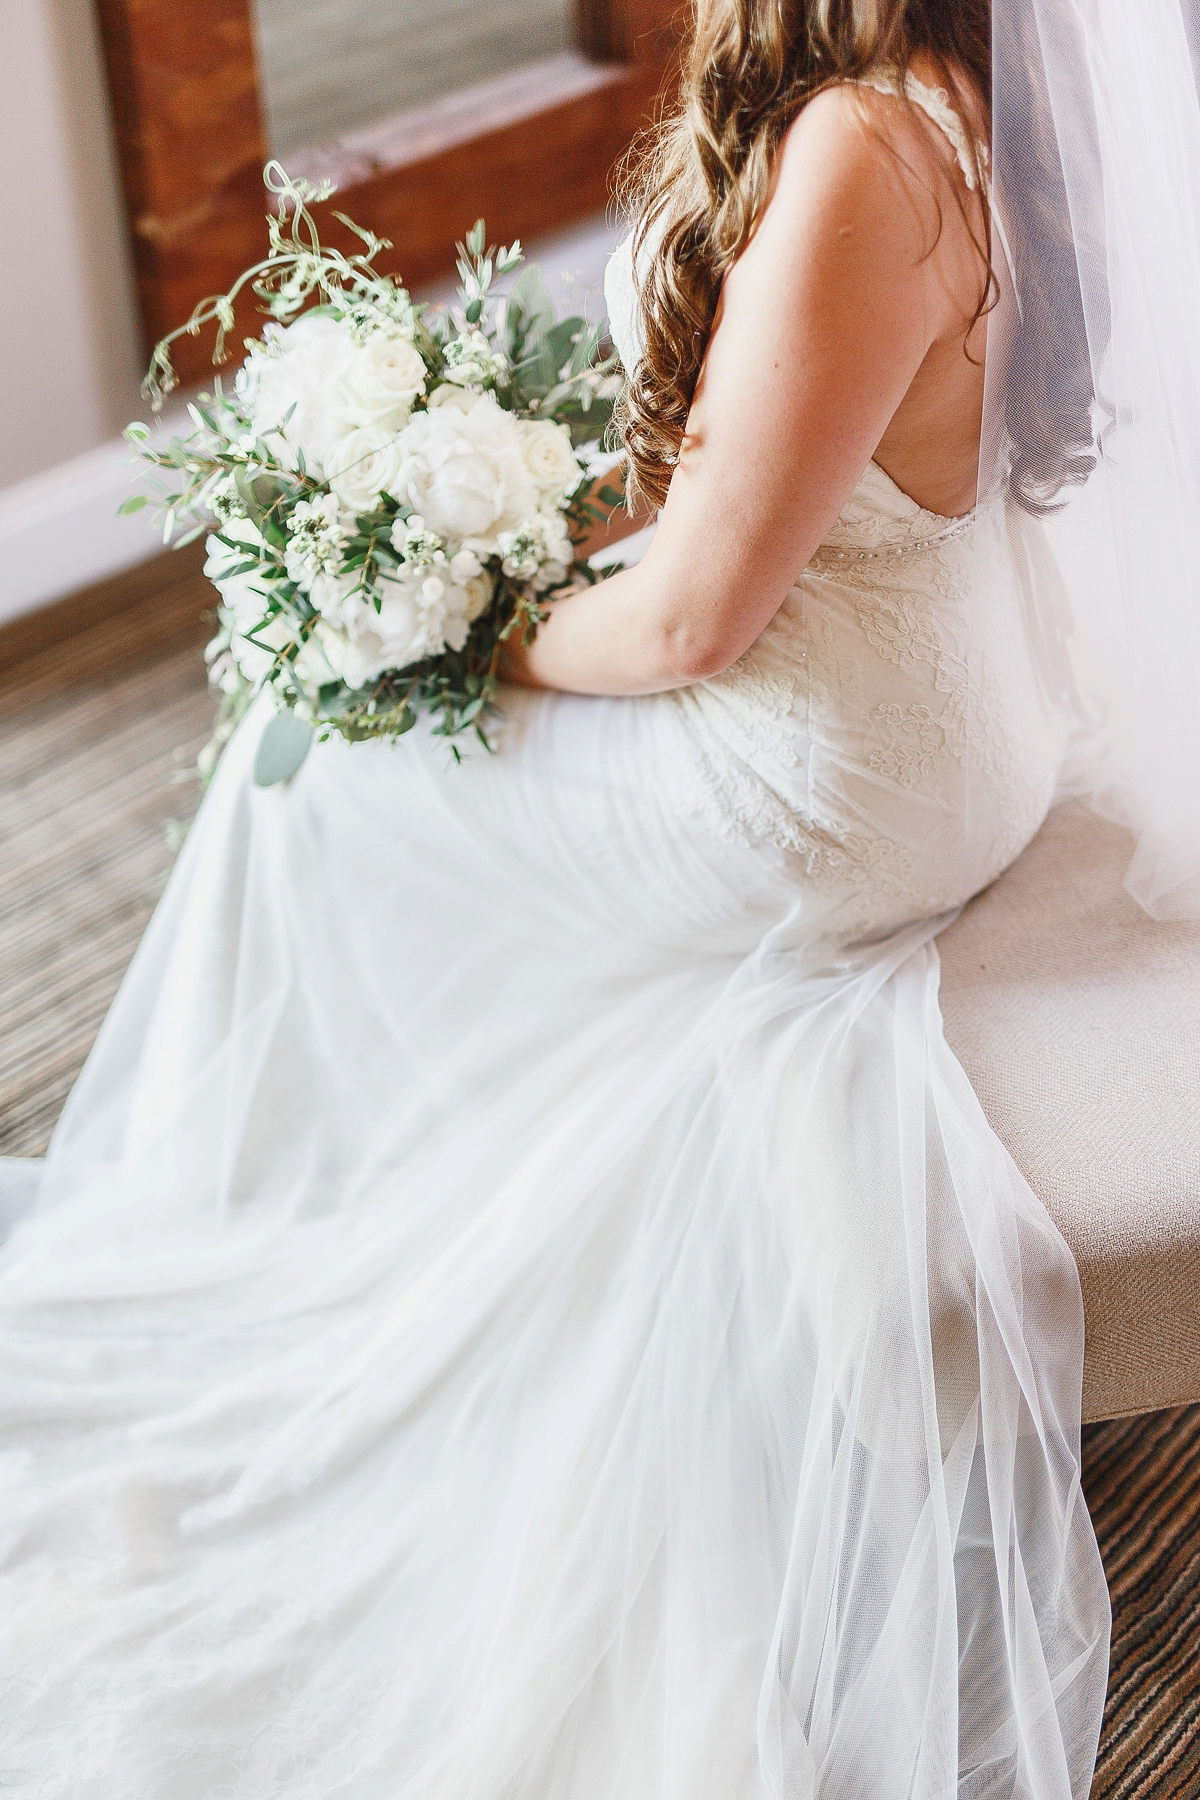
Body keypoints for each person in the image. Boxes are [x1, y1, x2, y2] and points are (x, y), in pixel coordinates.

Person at [11, 0, 1191, 1788]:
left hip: (836, 783)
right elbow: (772, 487)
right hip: (965, 709)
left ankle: (294, 1221)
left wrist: (446, 629)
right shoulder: (966, 102)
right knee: (358, 736)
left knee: (314, 769)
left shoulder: (862, 149)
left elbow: (688, 625)